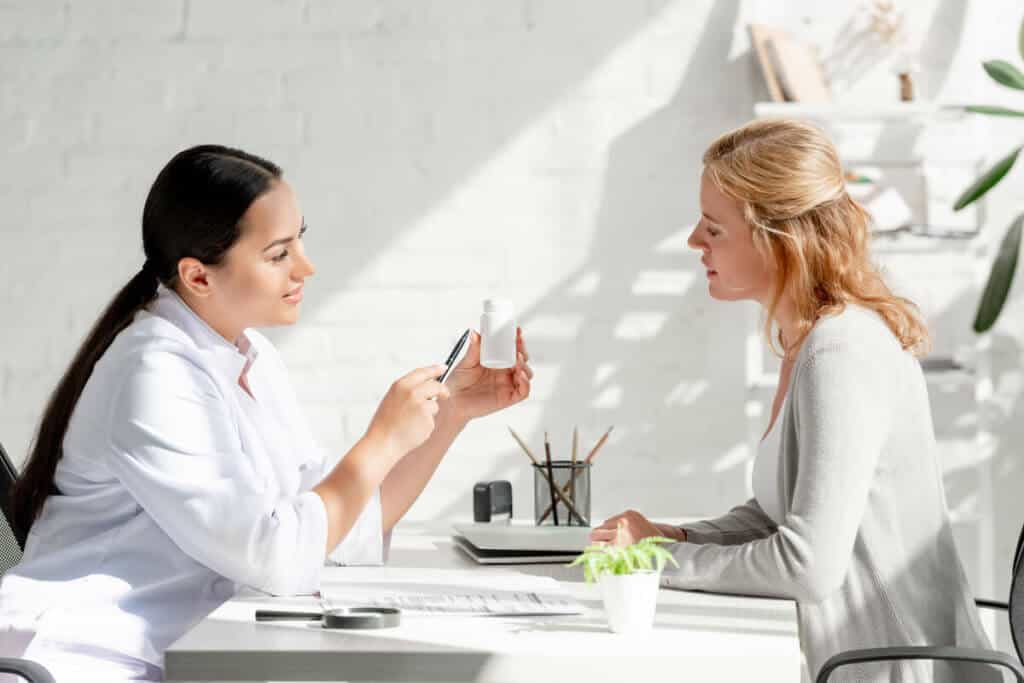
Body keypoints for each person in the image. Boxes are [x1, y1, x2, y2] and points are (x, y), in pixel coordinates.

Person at [0, 145, 534, 681]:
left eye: (301, 239)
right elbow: (277, 556)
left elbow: (333, 529)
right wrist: (382, 440)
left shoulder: (250, 356)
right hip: (90, 657)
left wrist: (451, 413)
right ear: (198, 276)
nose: (306, 266)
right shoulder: (154, 373)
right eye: (279, 254)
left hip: (187, 648)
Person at [591, 119, 992, 682]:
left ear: (777, 239)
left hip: (883, 668)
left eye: (714, 228)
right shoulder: (809, 343)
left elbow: (807, 567)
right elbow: (777, 516)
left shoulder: (841, 351)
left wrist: (653, 561)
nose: (693, 242)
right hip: (843, 660)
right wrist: (672, 537)